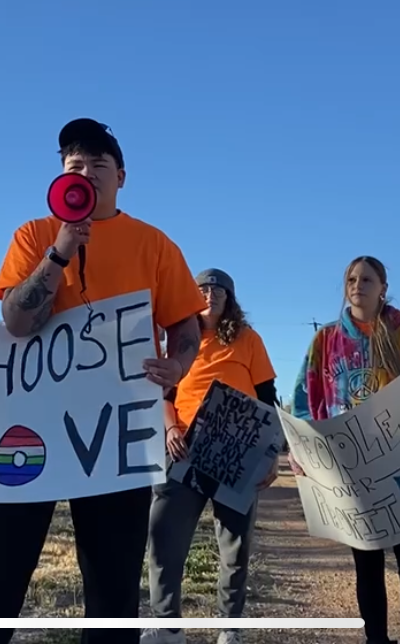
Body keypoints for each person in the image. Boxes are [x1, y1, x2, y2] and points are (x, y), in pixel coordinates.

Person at [0, 118, 206, 644]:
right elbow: (16, 321)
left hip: (115, 435)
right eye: (74, 165)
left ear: (121, 177)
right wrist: (60, 251)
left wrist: (178, 366)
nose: (85, 173)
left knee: (113, 581)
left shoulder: (155, 245)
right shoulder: (34, 234)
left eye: (97, 164)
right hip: (31, 424)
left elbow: (185, 326)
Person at [291, 255, 400, 644]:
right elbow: (305, 398)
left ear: (383, 288)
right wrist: (303, 446)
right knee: (366, 561)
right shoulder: (326, 340)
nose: (357, 285)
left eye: (367, 279)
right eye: (351, 279)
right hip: (351, 466)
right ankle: (376, 639)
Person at [142, 268, 279, 644]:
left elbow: (268, 399)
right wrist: (170, 428)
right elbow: (164, 396)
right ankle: (168, 626)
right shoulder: (179, 342)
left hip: (237, 452)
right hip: (184, 449)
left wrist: (271, 453)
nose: (210, 294)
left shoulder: (248, 339)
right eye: (202, 288)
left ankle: (230, 627)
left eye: (219, 289)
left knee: (235, 546)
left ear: (230, 299)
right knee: (163, 537)